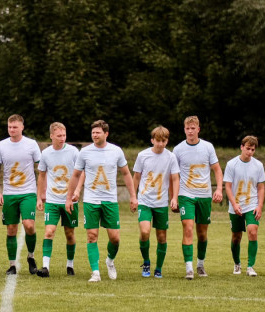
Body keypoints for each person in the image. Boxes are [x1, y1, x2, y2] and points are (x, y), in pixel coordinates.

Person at [66, 120, 137, 282]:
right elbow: (76, 175)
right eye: (93, 133)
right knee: (92, 235)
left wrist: (133, 196)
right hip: (91, 200)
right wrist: (70, 197)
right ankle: (95, 272)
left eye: (98, 132)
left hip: (110, 201)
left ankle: (110, 261)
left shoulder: (116, 151)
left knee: (115, 238)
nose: (94, 135)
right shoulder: (85, 152)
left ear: (106, 134)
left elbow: (126, 174)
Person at [173, 116, 223, 279]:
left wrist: (219, 189)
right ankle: (189, 268)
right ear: (184, 129)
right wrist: (174, 197)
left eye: (193, 128)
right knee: (187, 228)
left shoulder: (208, 147)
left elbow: (217, 169)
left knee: (202, 233)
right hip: (186, 195)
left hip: (204, 196)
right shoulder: (178, 149)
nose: (190, 131)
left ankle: (200, 264)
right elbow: (174, 176)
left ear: (198, 129)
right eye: (187, 128)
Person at [0, 114, 41, 275]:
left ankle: (31, 256)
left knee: (29, 225)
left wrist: (41, 192)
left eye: (15, 127)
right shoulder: (1, 146)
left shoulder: (31, 144)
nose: (12, 130)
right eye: (9, 127)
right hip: (9, 193)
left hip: (28, 192)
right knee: (11, 229)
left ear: (22, 127)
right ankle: (12, 264)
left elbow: (41, 169)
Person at [36, 122, 84, 277]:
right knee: (49, 232)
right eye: (59, 136)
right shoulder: (46, 153)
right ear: (51, 136)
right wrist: (40, 196)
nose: (62, 138)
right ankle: (45, 267)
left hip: (70, 201)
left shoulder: (74, 152)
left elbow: (81, 173)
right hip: (52, 201)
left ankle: (70, 265)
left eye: (64, 135)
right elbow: (41, 175)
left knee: (69, 234)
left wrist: (77, 191)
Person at [132, 126, 179, 279]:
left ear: (167, 141)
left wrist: (174, 198)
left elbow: (175, 178)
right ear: (152, 140)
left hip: (161, 203)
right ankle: (146, 262)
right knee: (145, 232)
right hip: (145, 201)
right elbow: (137, 177)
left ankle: (158, 268)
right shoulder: (142, 155)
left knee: (161, 237)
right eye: (157, 140)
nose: (160, 144)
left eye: (163, 141)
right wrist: (134, 197)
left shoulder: (171, 157)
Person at [223, 135, 265, 277]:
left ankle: (250, 266)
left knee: (252, 232)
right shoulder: (231, 164)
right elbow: (228, 187)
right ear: (242, 147)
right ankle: (237, 264)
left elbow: (260, 187)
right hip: (236, 206)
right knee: (236, 237)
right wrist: (234, 204)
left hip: (251, 204)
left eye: (253, 150)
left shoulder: (258, 165)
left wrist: (259, 206)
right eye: (247, 148)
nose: (250, 152)